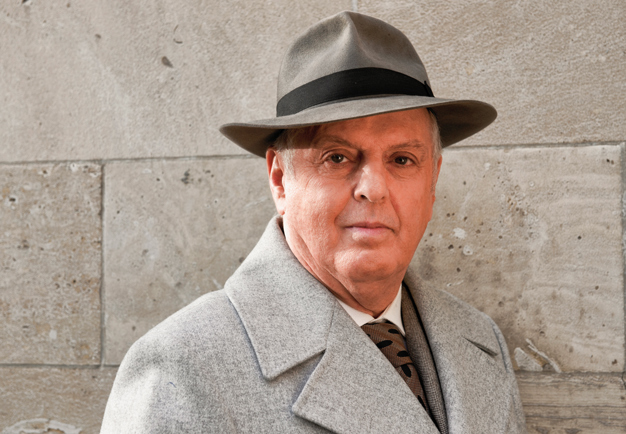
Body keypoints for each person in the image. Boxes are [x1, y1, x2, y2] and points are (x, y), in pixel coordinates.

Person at [101, 11, 526, 434]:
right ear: (280, 180)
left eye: (402, 160)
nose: (373, 189)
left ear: (432, 179)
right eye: (337, 157)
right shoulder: (182, 366)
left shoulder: (479, 339)